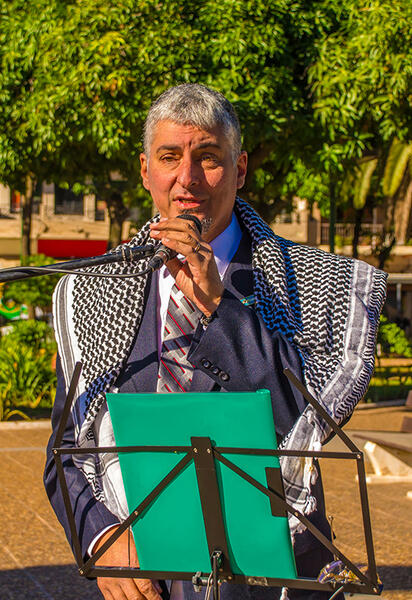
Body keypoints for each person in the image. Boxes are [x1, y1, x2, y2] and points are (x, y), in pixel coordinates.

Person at [44, 84, 387, 600]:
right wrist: (100, 538)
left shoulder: (320, 283)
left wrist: (219, 309)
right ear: (145, 170)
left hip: (278, 579)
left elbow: (305, 418)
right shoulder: (92, 291)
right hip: (147, 581)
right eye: (168, 157)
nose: (187, 179)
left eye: (208, 158)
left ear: (240, 169)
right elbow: (65, 451)